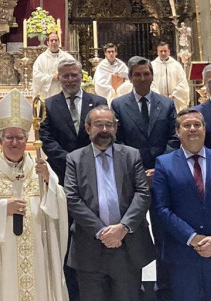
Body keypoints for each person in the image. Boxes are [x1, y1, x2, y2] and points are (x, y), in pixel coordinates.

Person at [0, 88, 68, 300]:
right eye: (9, 137)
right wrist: (2, 208)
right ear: (0, 140)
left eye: (19, 137)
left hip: (36, 249)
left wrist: (49, 182)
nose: (14, 142)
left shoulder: (40, 169)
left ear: (26, 139)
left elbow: (59, 206)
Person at [63, 105, 155, 300]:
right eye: (98, 125)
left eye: (109, 125)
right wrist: (101, 231)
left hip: (127, 247)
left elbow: (142, 194)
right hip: (89, 247)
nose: (104, 130)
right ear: (87, 128)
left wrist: (122, 228)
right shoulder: (74, 159)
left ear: (116, 127)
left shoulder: (132, 155)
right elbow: (72, 198)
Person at [153, 108, 211, 301]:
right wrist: (192, 237)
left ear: (204, 128)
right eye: (186, 125)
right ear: (177, 132)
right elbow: (162, 208)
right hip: (182, 252)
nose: (192, 129)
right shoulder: (164, 163)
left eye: (197, 124)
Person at [37, 57, 105, 298]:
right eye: (65, 76)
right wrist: (70, 159)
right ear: (59, 77)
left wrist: (85, 159)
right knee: (66, 231)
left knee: (94, 226)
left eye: (74, 75)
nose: (70, 80)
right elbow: (45, 137)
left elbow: (103, 133)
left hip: (94, 174)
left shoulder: (98, 101)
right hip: (62, 176)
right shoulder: (49, 104)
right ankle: (70, 287)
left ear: (81, 75)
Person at [111, 55, 177, 300]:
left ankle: (165, 287)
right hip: (131, 177)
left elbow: (174, 138)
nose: (142, 78)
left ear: (152, 75)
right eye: (137, 74)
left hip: (162, 176)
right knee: (134, 234)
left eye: (146, 74)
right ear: (129, 77)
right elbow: (118, 142)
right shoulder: (118, 105)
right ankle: (133, 287)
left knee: (163, 232)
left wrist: (159, 167)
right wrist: (138, 169)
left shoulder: (166, 104)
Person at [31, 32, 75, 100]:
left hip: (65, 94)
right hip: (48, 95)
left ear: (59, 42)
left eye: (56, 40)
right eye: (52, 40)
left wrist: (64, 76)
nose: (54, 42)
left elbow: (75, 71)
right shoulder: (41, 59)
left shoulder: (67, 57)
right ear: (48, 43)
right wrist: (51, 77)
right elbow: (36, 75)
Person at [150, 42, 189, 110]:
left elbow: (182, 82)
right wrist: (159, 95)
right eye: (161, 51)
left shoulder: (176, 65)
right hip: (157, 100)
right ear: (157, 52)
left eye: (165, 51)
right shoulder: (152, 66)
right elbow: (150, 83)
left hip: (174, 100)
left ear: (169, 52)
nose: (163, 53)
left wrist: (174, 95)